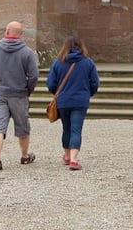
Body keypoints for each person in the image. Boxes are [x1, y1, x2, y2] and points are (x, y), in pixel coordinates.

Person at [0, 21, 39, 171]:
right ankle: (25, 156)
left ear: (7, 32)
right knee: (22, 126)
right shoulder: (27, 52)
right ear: (20, 35)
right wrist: (28, 90)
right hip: (19, 94)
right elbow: (34, 75)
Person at [46, 36, 99, 171]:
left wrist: (57, 93)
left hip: (63, 100)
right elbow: (94, 83)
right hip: (80, 100)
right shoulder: (88, 63)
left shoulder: (58, 63)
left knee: (66, 128)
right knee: (76, 129)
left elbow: (51, 83)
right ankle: (74, 160)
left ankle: (67, 155)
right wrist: (88, 93)